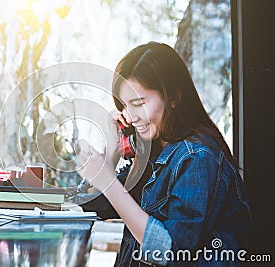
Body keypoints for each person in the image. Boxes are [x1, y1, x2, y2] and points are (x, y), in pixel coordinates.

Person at [76, 42, 252, 266]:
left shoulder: (198, 157)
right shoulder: (153, 152)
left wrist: (109, 183)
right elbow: (93, 205)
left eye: (139, 103)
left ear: (174, 96)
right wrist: (111, 150)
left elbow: (171, 253)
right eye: (124, 106)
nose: (130, 117)